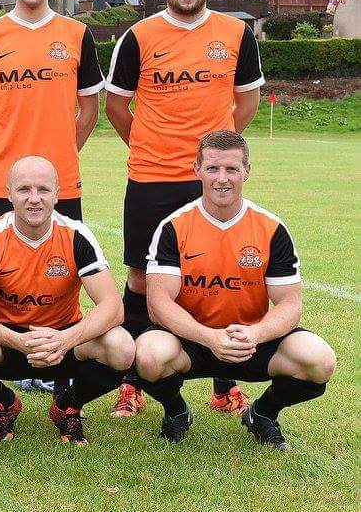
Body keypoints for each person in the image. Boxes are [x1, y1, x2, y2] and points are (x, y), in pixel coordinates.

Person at [104, 0, 264, 417]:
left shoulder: (236, 33)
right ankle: (131, 382)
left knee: (222, 278)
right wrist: (152, 146)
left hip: (209, 180)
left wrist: (215, 157)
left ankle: (223, 385)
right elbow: (116, 106)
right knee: (139, 275)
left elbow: (247, 99)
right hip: (152, 176)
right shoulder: (139, 36)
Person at [0, 0, 103, 405]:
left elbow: (89, 110)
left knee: (62, 277)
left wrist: (60, 157)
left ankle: (57, 369)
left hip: (60, 181)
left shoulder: (77, 35)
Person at [138, 131, 335, 449]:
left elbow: (289, 303)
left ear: (247, 171)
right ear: (197, 170)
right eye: (213, 168)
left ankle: (263, 413)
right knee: (149, 356)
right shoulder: (174, 227)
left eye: (231, 169)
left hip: (250, 341)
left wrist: (256, 335)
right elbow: (159, 303)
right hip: (193, 341)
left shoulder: (270, 228)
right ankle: (176, 412)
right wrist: (208, 337)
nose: (222, 179)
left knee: (319, 360)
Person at [0, 156, 134, 444]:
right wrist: (17, 341)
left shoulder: (76, 235)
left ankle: (68, 405)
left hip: (63, 340)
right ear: (9, 193)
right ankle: (3, 402)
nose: (34, 199)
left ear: (57, 193)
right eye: (24, 190)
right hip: (7, 341)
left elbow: (112, 306)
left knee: (121, 347)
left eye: (43, 190)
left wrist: (65, 340)